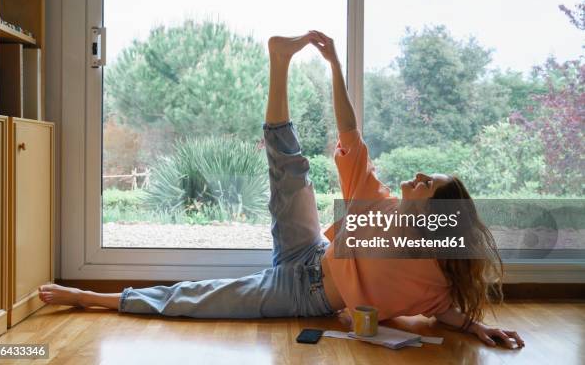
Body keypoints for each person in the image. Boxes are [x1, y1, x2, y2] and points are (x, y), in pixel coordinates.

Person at [39, 31, 524, 349]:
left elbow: (447, 313)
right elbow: (349, 132)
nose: (417, 178)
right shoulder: (379, 199)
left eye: (427, 184)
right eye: (423, 175)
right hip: (309, 249)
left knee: (204, 299)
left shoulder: (434, 272)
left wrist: (481, 328)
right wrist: (334, 64)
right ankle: (279, 60)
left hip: (304, 293)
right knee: (291, 168)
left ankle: (94, 298)